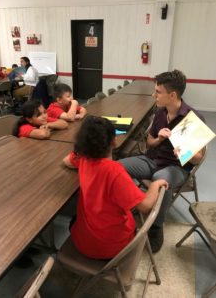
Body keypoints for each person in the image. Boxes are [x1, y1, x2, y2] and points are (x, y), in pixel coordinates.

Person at [119, 69, 205, 253]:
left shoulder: (193, 118)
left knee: (160, 180)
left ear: (172, 95)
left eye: (157, 92)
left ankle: (156, 227)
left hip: (175, 167)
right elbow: (149, 143)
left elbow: (197, 159)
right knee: (117, 168)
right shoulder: (160, 113)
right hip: (152, 159)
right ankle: (126, 207)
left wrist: (184, 151)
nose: (153, 95)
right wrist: (159, 138)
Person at [63, 115, 168, 259]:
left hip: (83, 243)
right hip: (112, 246)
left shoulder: (83, 159)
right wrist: (155, 185)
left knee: (75, 219)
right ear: (114, 141)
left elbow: (66, 161)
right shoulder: (115, 171)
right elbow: (145, 206)